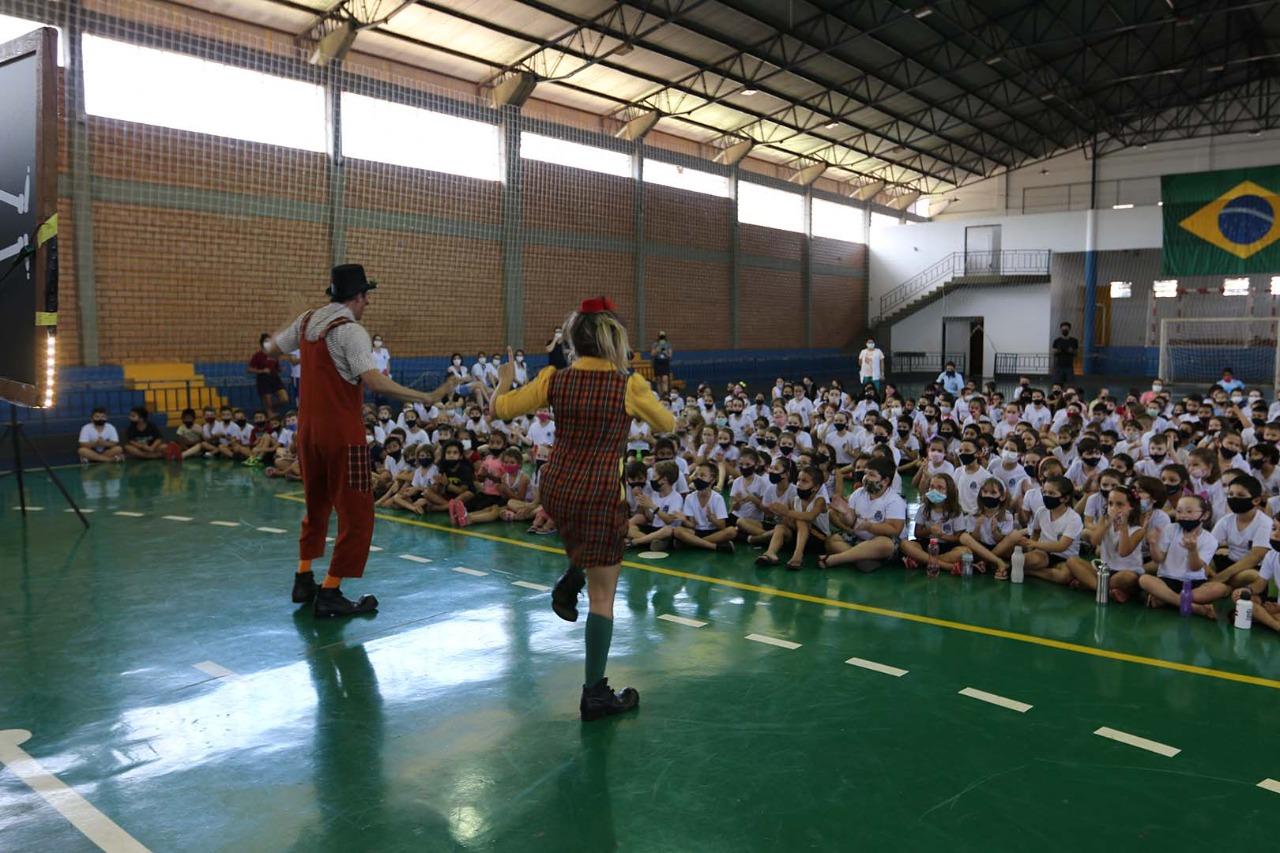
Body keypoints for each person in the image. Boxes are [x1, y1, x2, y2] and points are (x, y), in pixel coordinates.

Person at [492, 295, 674, 721]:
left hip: (555, 489)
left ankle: (568, 581)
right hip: (599, 493)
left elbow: (499, 410)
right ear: (615, 340)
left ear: (574, 340)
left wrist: (503, 379)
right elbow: (668, 425)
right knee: (604, 596)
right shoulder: (628, 385)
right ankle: (595, 693)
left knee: (591, 545)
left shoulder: (553, 379)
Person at [264, 264, 456, 618]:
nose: (368, 303)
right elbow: (375, 382)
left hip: (308, 433)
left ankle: (303, 577)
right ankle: (331, 591)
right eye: (367, 296)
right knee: (358, 514)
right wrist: (426, 398)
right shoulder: (352, 332)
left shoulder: (307, 321)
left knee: (316, 504)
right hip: (342, 436)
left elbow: (271, 347)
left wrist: (278, 332)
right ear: (359, 296)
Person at [249, 333, 289, 418]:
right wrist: (261, 371)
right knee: (268, 400)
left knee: (284, 399)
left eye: (270, 341)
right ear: (262, 343)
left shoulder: (274, 354)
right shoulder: (257, 355)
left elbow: (277, 368)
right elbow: (249, 369)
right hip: (263, 379)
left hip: (275, 378)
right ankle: (269, 413)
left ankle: (271, 408)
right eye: (266, 341)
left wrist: (280, 369)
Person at [1052, 322, 1079, 387]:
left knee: (1070, 385)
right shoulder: (1057, 341)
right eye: (1063, 329)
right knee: (1057, 385)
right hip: (1058, 366)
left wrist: (1071, 351)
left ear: (1069, 329)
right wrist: (1058, 351)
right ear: (1061, 330)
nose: (1064, 330)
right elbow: (1053, 352)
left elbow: (1076, 353)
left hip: (1069, 367)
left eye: (1066, 329)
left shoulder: (1074, 341)